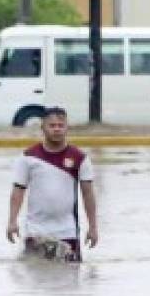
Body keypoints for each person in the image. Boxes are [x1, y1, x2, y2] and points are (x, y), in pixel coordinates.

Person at [6, 107, 98, 262]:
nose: (57, 129)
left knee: (69, 279)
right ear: (43, 128)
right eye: (52, 125)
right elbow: (18, 191)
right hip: (35, 231)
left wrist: (93, 227)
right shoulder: (28, 157)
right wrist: (12, 221)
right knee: (34, 278)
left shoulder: (80, 158)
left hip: (68, 232)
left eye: (61, 125)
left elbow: (88, 194)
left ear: (67, 128)